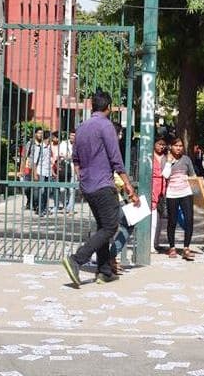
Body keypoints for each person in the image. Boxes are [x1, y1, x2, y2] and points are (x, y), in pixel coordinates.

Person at [62, 90, 140, 287]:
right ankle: (77, 259)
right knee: (111, 226)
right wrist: (129, 185)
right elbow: (116, 159)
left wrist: (83, 177)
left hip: (87, 185)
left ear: (92, 106)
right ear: (109, 108)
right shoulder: (106, 126)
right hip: (103, 185)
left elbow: (76, 160)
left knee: (102, 226)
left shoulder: (81, 128)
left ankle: (104, 271)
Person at [164, 137, 196, 261]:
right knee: (172, 221)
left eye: (181, 146)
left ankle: (186, 248)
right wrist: (168, 162)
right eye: (176, 145)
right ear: (171, 147)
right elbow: (165, 175)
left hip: (186, 192)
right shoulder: (167, 159)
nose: (178, 148)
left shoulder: (186, 159)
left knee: (189, 219)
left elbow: (192, 175)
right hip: (172, 194)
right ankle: (172, 247)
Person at [22, 128, 48, 211]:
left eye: (41, 133)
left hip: (38, 169)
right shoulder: (30, 143)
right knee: (27, 188)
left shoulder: (43, 144)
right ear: (35, 134)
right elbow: (24, 156)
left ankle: (36, 204)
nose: (40, 135)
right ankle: (30, 201)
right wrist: (21, 169)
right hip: (29, 168)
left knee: (36, 188)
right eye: (39, 133)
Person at [150, 137, 168, 251]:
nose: (161, 147)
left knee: (161, 218)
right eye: (159, 144)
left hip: (163, 188)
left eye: (163, 144)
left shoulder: (166, 158)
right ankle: (151, 244)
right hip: (153, 187)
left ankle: (156, 242)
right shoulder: (149, 156)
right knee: (153, 218)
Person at [57, 131, 76, 211]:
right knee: (62, 189)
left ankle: (70, 208)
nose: (73, 137)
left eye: (74, 135)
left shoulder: (78, 144)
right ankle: (65, 204)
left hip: (73, 169)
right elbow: (59, 155)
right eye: (72, 135)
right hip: (64, 169)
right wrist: (66, 156)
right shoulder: (63, 144)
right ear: (69, 135)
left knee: (72, 190)